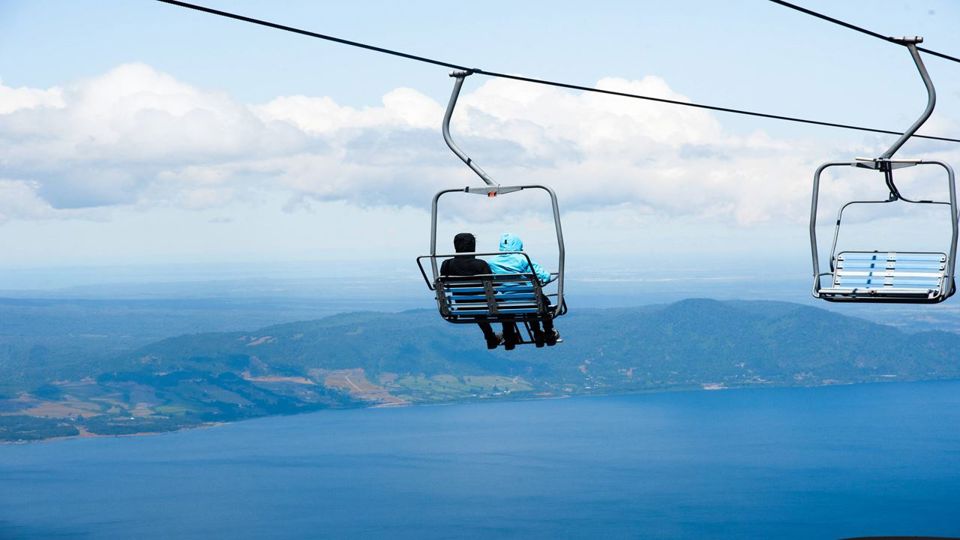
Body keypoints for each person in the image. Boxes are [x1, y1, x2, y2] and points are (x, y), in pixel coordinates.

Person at [487, 232, 560, 347]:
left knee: (512, 304)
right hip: (531, 301)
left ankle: (510, 335)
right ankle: (547, 331)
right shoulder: (522, 259)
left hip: (505, 302)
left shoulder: (491, 262)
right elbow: (545, 277)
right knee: (541, 301)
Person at [440, 233, 503, 349]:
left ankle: (490, 337)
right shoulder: (481, 264)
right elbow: (492, 288)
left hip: (461, 305)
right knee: (502, 302)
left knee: (475, 306)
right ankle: (507, 335)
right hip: (484, 304)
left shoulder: (446, 264)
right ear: (472, 246)